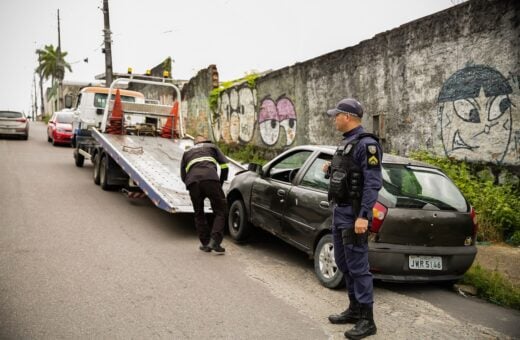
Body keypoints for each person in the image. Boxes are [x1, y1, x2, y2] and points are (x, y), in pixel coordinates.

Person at [323, 98, 382, 339]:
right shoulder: (347, 143)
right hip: (340, 212)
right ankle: (354, 310)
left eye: (336, 115)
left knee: (359, 268)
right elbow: (348, 177)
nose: (334, 119)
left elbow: (372, 183)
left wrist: (364, 216)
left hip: (354, 214)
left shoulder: (367, 145)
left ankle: (368, 321)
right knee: (344, 263)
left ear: (347, 117)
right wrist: (332, 169)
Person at [181, 135, 229, 253]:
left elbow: (183, 174)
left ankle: (206, 243)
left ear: (195, 143)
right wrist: (220, 183)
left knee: (199, 213)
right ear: (205, 140)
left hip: (193, 183)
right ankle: (215, 241)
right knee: (220, 211)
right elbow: (224, 166)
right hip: (211, 179)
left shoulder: (187, 152)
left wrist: (190, 184)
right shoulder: (212, 146)